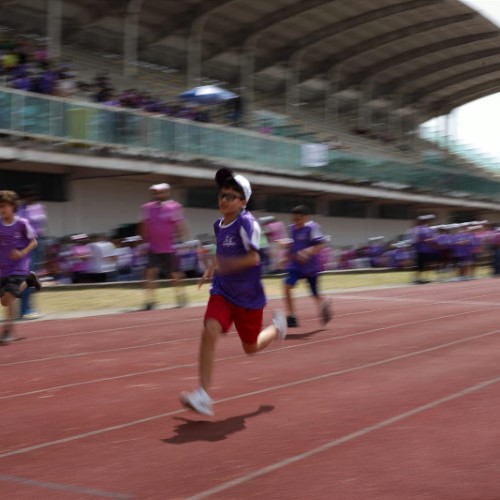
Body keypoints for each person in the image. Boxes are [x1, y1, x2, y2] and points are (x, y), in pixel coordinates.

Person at [180, 168, 287, 417]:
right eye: (222, 194)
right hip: (223, 291)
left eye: (230, 196)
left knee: (250, 347)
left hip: (248, 297)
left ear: (243, 202)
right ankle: (203, 395)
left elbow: (253, 258)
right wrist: (213, 268)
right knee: (209, 330)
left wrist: (228, 265)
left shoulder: (248, 223)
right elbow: (222, 250)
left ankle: (276, 328)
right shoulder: (219, 225)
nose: (224, 199)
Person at [0, 190, 42, 344]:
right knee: (5, 301)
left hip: (19, 266)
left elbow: (34, 242)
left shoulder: (21, 223)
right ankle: (29, 281)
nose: (2, 210)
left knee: (8, 298)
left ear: (13, 206)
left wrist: (22, 252)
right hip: (4, 267)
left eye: (4, 206)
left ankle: (8, 330)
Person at [140, 183, 190, 310]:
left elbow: (181, 225)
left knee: (174, 274)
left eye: (160, 192)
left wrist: (183, 241)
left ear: (167, 193)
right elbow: (144, 225)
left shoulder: (174, 207)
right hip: (153, 247)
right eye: (155, 193)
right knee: (150, 273)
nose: (158, 195)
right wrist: (144, 242)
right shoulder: (147, 208)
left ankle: (181, 297)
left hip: (170, 248)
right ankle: (150, 301)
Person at [282, 205, 332, 328]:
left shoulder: (312, 228)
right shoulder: (292, 229)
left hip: (311, 267)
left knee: (315, 295)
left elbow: (321, 245)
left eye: (299, 219)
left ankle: (324, 302)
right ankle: (292, 316)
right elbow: (292, 245)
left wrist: (307, 252)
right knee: (287, 286)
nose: (296, 222)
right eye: (294, 220)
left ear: (306, 217)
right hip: (295, 266)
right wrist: (285, 257)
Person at [17, 185, 48, 319]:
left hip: (37, 242)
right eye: (28, 196)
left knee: (33, 276)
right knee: (29, 276)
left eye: (32, 196)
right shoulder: (19, 209)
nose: (31, 198)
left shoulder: (38, 208)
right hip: (26, 243)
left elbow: (39, 225)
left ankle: (28, 308)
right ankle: (25, 309)